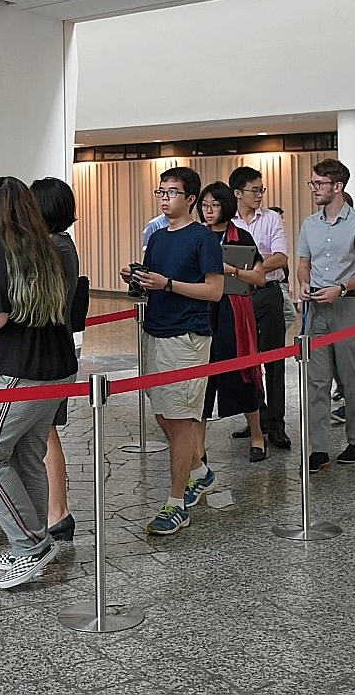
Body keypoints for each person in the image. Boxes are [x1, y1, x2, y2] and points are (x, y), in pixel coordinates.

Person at [0, 177, 79, 589]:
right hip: (57, 367)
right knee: (27, 455)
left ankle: (29, 545)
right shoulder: (50, 247)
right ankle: (36, 540)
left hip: (18, 372)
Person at [121, 166, 224, 534]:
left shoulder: (203, 239)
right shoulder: (158, 237)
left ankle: (176, 501)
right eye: (161, 192)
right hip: (155, 332)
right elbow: (155, 286)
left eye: (172, 193)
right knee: (164, 413)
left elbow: (214, 290)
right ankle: (200, 471)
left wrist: (168, 283)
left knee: (180, 419)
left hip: (187, 336)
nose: (165, 198)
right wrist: (140, 280)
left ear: (191, 199)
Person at [295, 159, 355, 468]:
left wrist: (341, 288)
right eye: (312, 184)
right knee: (316, 380)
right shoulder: (309, 224)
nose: (314, 189)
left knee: (350, 377)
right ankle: (318, 448)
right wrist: (303, 282)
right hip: (316, 308)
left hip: (347, 306)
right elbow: (304, 262)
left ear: (337, 187)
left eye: (319, 184)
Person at [200, 183, 268, 459]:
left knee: (241, 375)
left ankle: (257, 436)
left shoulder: (240, 236)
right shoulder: (196, 236)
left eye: (214, 205)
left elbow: (259, 277)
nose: (208, 210)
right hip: (202, 311)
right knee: (201, 381)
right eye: (204, 205)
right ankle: (198, 448)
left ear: (226, 206)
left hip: (232, 312)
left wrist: (232, 270)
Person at [31, 176, 80, 541]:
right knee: (44, 432)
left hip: (50, 351)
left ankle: (57, 510)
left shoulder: (53, 248)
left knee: (46, 433)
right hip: (58, 348)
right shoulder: (61, 244)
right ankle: (53, 508)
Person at [229, 166, 291, 449]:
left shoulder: (271, 220)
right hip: (238, 298)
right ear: (238, 193)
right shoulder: (228, 223)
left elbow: (280, 258)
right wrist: (253, 266)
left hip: (268, 294)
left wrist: (245, 267)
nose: (259, 195)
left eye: (261, 190)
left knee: (274, 361)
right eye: (255, 190)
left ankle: (277, 424)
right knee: (247, 362)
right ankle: (257, 419)